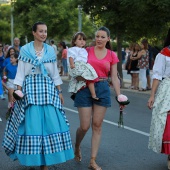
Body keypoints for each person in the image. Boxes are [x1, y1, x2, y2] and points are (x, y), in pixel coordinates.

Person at [2, 21, 74, 170]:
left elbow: (54, 74)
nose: (43, 34)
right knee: (33, 127)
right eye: (40, 31)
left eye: (45, 31)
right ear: (34, 33)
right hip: (30, 92)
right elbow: (21, 73)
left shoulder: (49, 51)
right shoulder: (25, 50)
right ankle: (34, 159)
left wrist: (59, 91)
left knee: (50, 126)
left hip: (48, 91)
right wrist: (17, 92)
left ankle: (45, 163)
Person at [74, 26, 123, 170]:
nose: (99, 39)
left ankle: (92, 161)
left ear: (108, 38)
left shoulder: (112, 55)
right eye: (97, 36)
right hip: (84, 87)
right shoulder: (86, 51)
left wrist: (119, 94)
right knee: (84, 126)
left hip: (102, 87)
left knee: (97, 125)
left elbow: (114, 77)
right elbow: (76, 66)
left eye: (102, 37)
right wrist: (76, 74)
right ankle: (77, 145)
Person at [148, 28, 170, 170]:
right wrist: (152, 95)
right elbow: (157, 75)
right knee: (166, 120)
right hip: (168, 88)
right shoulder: (164, 53)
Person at [68, 32, 98, 101]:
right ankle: (75, 92)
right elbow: (71, 57)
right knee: (81, 79)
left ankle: (76, 92)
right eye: (80, 39)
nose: (82, 41)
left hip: (84, 65)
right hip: (78, 65)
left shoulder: (84, 50)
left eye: (84, 40)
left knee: (85, 80)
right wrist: (72, 64)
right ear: (74, 41)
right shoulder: (73, 49)